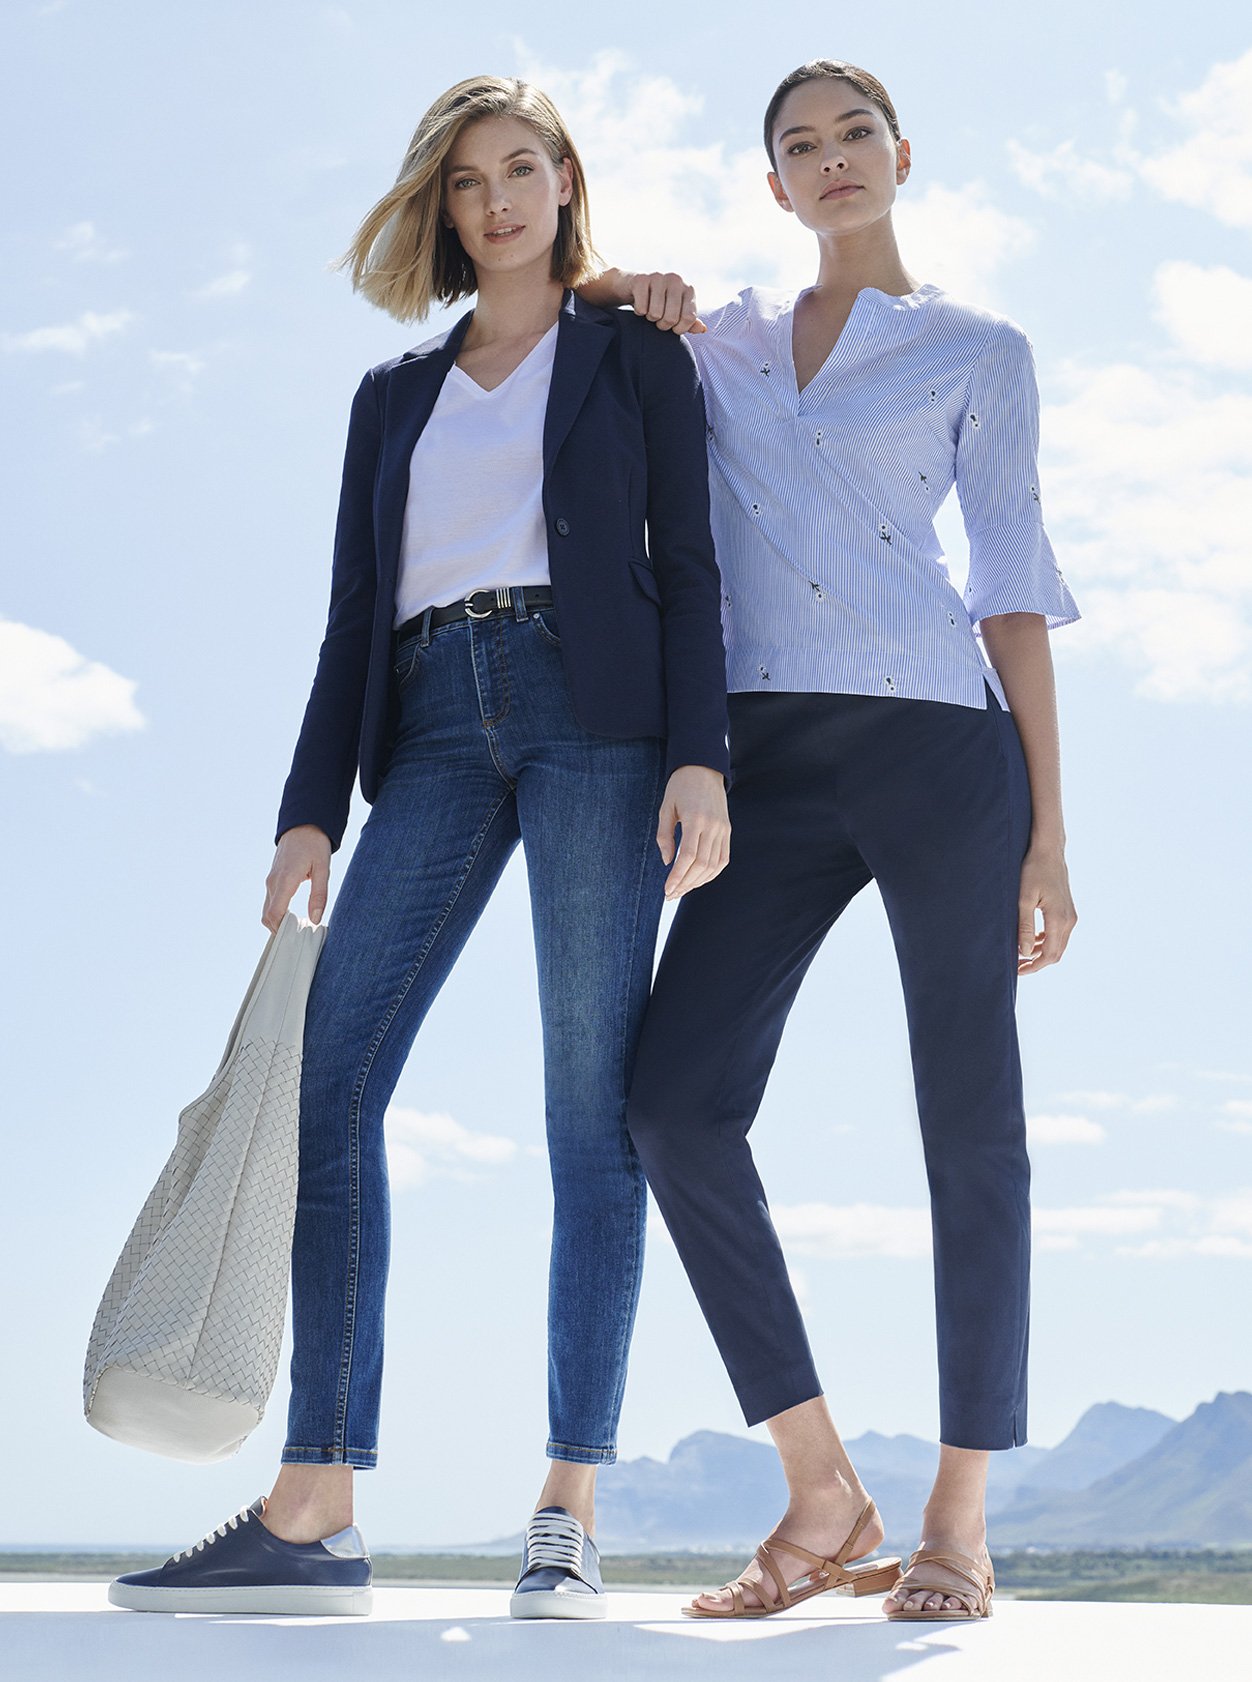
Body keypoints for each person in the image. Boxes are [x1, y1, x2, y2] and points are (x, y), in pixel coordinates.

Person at [109, 73, 730, 1622]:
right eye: (467, 182)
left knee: (590, 1111)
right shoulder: (391, 399)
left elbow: (695, 566)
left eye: (522, 169)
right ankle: (317, 1502)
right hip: (433, 729)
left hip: (598, 719)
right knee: (331, 1078)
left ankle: (568, 1503)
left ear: (568, 181)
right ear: (443, 208)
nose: (497, 200)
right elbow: (345, 619)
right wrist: (307, 808)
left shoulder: (637, 354)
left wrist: (704, 757)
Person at [587, 57, 1079, 1623]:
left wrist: (1050, 832)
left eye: (853, 132)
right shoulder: (717, 338)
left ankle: (958, 1516)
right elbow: (567, 282)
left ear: (900, 154)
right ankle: (821, 1483)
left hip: (943, 749)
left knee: (967, 1121)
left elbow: (1009, 584)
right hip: (766, 764)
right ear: (774, 189)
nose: (831, 158)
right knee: (671, 1101)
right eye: (798, 145)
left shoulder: (979, 350)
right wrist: (627, 279)